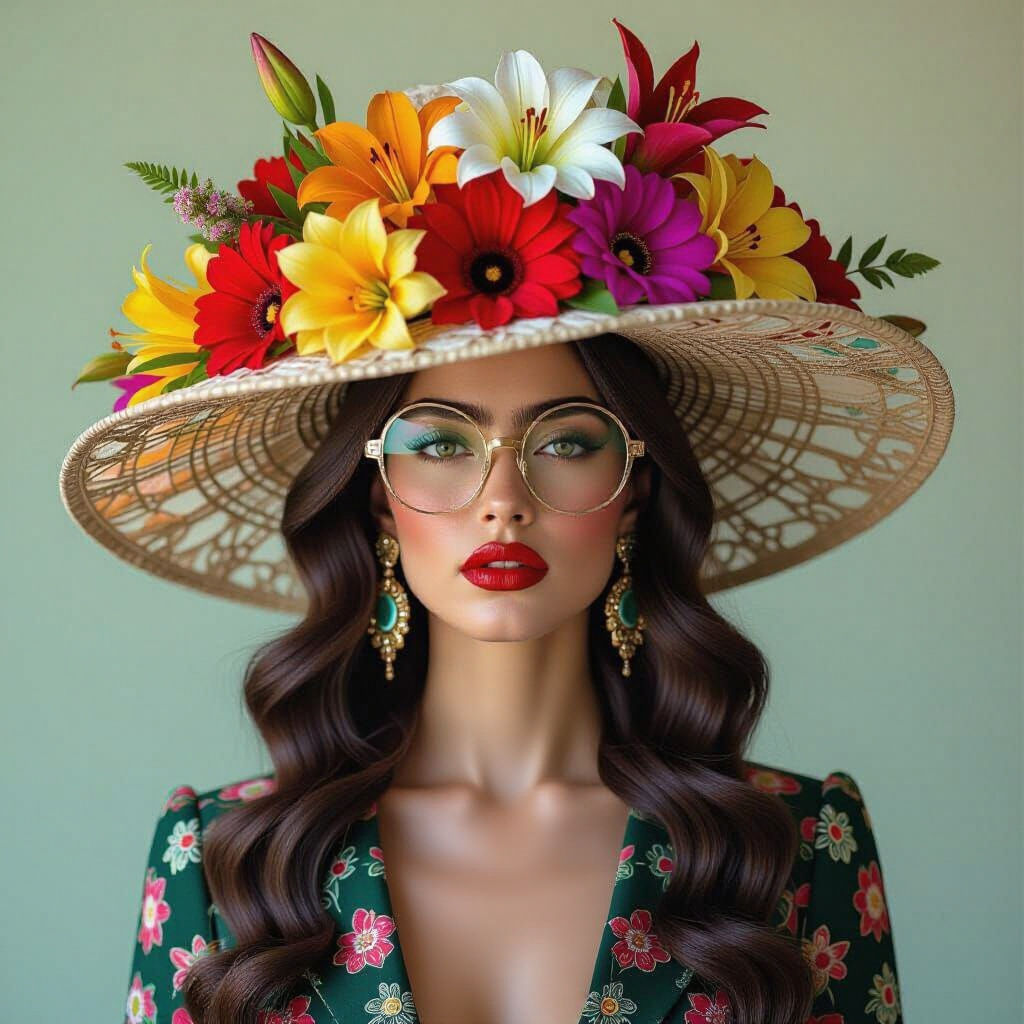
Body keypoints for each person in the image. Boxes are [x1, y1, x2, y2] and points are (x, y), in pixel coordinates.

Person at [58, 31, 951, 1024]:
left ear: (637, 488)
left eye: (568, 442)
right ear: (375, 496)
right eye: (438, 443)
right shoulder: (224, 861)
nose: (502, 498)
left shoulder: (791, 845)